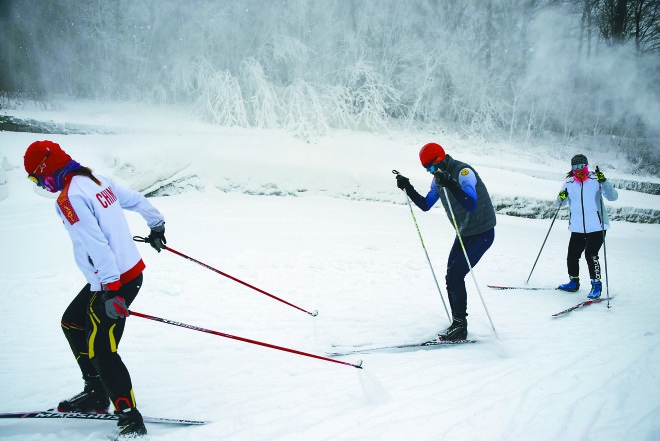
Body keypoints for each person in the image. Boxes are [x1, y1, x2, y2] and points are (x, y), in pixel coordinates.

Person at [24, 140, 167, 438]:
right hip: (118, 277)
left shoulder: (69, 198)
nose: (40, 184)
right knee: (73, 322)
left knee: (102, 348)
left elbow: (96, 245)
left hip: (114, 281)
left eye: (36, 178)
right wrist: (156, 225)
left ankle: (130, 418)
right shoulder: (94, 179)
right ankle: (97, 392)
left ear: (46, 170)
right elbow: (136, 200)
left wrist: (111, 291)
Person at [395, 142, 496, 341]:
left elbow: (471, 204)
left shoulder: (464, 173)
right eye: (426, 169)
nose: (430, 172)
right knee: (450, 276)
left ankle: (460, 326)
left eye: (431, 167)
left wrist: (451, 184)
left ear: (440, 158)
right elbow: (425, 205)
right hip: (464, 233)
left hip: (482, 232)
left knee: (455, 275)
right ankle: (457, 322)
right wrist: (408, 188)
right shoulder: (437, 180)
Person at [556, 154, 618, 299]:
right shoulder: (569, 184)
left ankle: (596, 285)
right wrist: (561, 197)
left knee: (591, 254)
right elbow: (559, 203)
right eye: (575, 167)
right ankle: (574, 282)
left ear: (586, 166)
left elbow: (613, 196)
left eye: (581, 166)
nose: (578, 170)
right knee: (572, 256)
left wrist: (605, 181)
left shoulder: (596, 180)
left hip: (597, 226)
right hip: (577, 228)